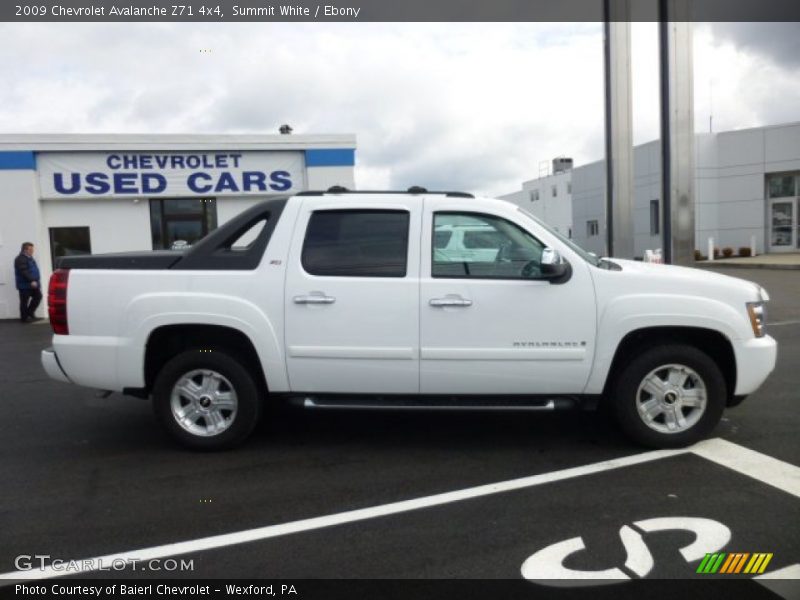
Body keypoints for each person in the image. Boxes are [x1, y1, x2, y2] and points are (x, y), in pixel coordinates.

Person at [14, 242, 42, 323]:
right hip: (24, 285)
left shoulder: (30, 258)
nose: (32, 250)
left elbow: (32, 270)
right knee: (24, 302)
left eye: (32, 249)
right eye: (30, 249)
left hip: (33, 284)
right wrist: (32, 280)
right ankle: (24, 318)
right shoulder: (20, 259)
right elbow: (24, 271)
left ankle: (29, 312)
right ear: (24, 250)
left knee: (38, 297)